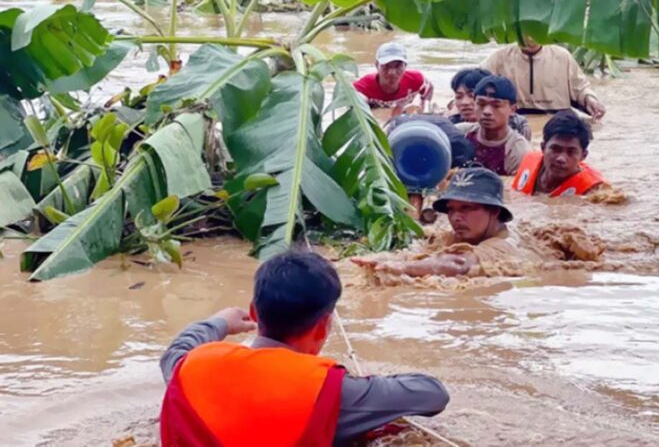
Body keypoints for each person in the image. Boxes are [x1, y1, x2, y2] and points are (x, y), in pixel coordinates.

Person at [159, 252, 449, 445]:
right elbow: (433, 394)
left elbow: (178, 349)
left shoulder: (190, 367)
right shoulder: (332, 389)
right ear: (324, 325)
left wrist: (220, 322)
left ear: (254, 312)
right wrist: (367, 386)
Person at [353, 167, 537, 277]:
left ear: (494, 211)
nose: (456, 217)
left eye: (466, 208)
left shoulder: (502, 246)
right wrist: (386, 258)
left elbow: (459, 265)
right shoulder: (458, 235)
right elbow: (425, 251)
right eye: (451, 209)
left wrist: (403, 267)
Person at [481, 38, 606, 119]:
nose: (530, 38)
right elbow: (476, 83)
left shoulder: (562, 56)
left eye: (535, 32)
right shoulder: (499, 58)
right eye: (525, 31)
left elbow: (581, 87)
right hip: (515, 119)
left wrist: (591, 100)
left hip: (558, 119)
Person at [513, 110, 607, 197]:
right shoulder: (529, 161)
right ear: (543, 148)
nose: (561, 159)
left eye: (571, 152)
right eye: (555, 149)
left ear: (583, 156)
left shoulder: (594, 190)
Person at [455, 75, 532, 176]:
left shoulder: (519, 151)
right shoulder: (460, 134)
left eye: (496, 105)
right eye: (481, 104)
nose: (487, 111)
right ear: (474, 104)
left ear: (512, 109)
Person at [448, 67, 532, 140]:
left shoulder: (518, 125)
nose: (464, 102)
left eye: (471, 96)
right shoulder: (451, 124)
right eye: (459, 97)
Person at [353, 42, 434, 111]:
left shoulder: (416, 79)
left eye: (398, 66)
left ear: (405, 66)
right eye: (386, 66)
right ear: (377, 65)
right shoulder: (363, 87)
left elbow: (429, 87)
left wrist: (424, 105)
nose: (392, 72)